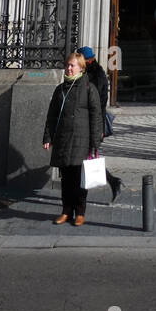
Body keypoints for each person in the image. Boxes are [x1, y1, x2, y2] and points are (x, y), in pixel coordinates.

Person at [42, 51, 102, 226]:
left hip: (82, 141)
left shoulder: (89, 88)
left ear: (81, 68)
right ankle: (66, 210)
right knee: (66, 179)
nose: (68, 68)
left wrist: (95, 143)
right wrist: (47, 136)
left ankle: (80, 212)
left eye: (72, 65)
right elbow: (51, 115)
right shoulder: (59, 89)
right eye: (67, 65)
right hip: (63, 140)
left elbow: (96, 116)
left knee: (80, 179)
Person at [79, 45, 121, 203]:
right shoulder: (87, 73)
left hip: (92, 123)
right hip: (85, 121)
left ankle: (111, 182)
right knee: (86, 157)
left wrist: (99, 128)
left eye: (81, 59)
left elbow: (99, 104)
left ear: (88, 60)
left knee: (86, 157)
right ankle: (113, 182)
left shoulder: (97, 76)